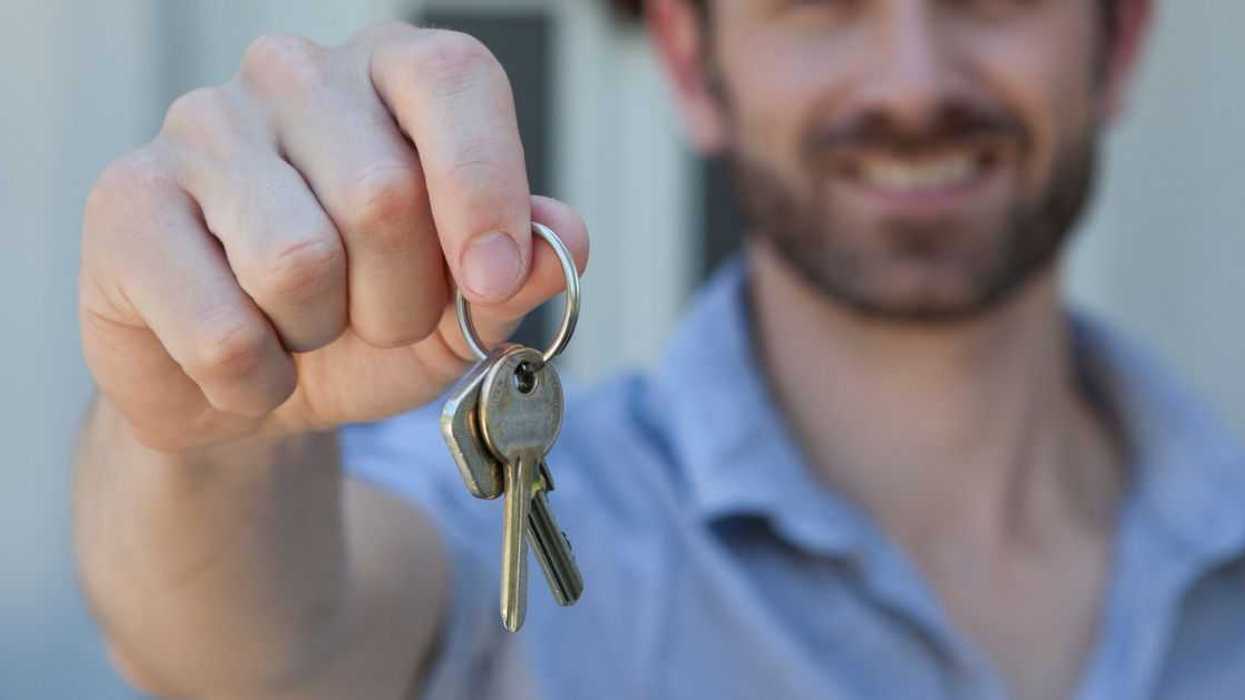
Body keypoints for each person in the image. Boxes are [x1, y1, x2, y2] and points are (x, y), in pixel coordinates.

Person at [72, 0, 1245, 698]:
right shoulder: (527, 524)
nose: (912, 82)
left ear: (1121, 39)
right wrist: (207, 426)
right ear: (691, 61)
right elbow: (264, 645)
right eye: (818, 0)